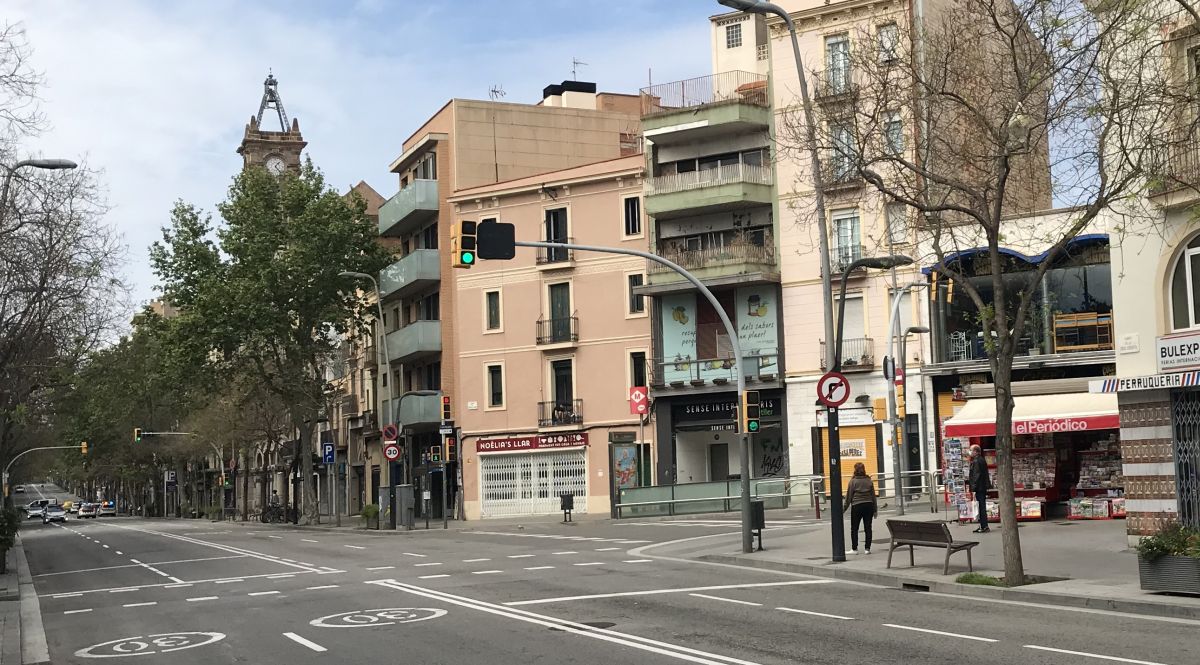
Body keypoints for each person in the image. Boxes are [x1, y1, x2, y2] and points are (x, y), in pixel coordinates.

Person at [846, 462, 877, 555]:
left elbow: (848, 497)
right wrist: (875, 510)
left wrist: (843, 509)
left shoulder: (853, 481)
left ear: (855, 470)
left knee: (854, 528)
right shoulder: (869, 480)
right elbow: (873, 496)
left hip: (857, 505)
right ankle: (867, 549)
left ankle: (854, 549)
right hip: (869, 505)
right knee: (868, 527)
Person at [968, 444, 991, 533]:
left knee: (981, 506)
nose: (970, 452)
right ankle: (983, 525)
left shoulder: (977, 461)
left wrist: (973, 488)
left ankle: (984, 526)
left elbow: (976, 475)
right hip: (982, 487)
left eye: (971, 450)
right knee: (981, 506)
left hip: (979, 487)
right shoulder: (981, 460)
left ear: (975, 451)